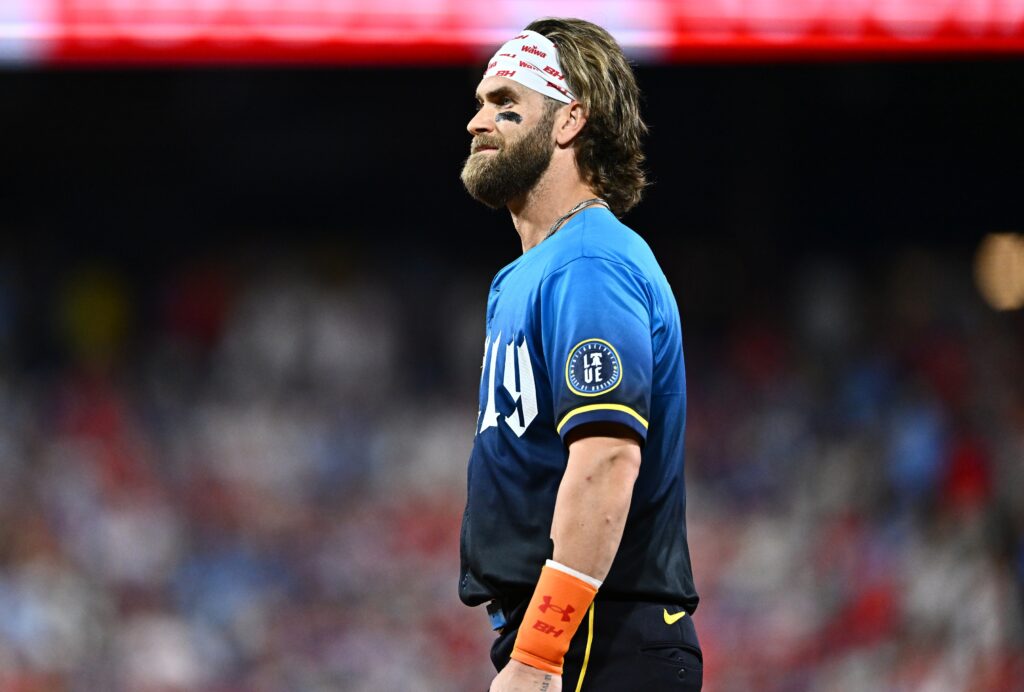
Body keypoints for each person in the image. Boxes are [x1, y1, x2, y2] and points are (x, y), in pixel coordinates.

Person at [458, 18, 701, 692]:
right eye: (480, 102)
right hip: (573, 635)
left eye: (507, 105)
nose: (479, 121)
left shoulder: (589, 260)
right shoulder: (524, 276)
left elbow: (606, 459)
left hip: (600, 638)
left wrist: (538, 652)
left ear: (569, 123)